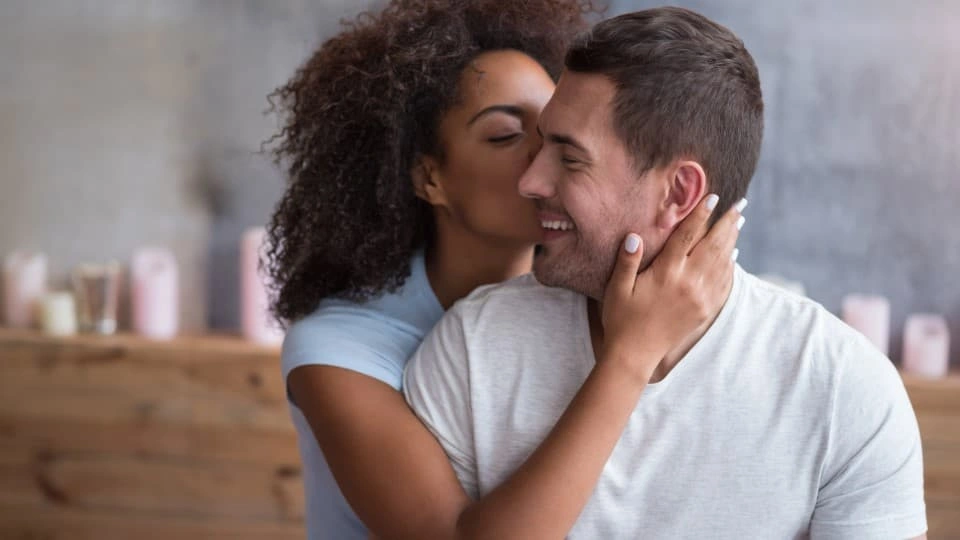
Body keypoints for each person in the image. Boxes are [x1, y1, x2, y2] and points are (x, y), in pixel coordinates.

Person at [405, 7, 928, 539]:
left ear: (679, 192)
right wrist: (631, 355)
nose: (531, 181)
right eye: (541, 145)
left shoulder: (843, 387)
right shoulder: (470, 351)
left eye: (570, 157)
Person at [266, 1, 744, 538]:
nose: (545, 167)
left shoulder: (581, 300)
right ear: (430, 179)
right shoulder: (336, 353)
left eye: (559, 137)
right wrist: (632, 354)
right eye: (505, 136)